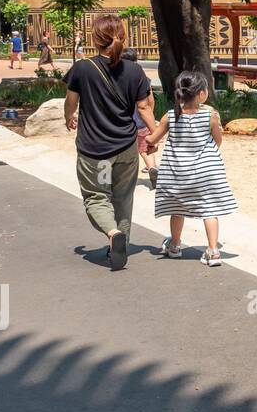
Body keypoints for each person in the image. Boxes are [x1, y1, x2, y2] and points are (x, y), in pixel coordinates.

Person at [64, 15, 160, 270]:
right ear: (123, 37)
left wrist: (68, 117)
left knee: (96, 196)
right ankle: (121, 247)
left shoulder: (82, 68)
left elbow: (71, 102)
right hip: (125, 149)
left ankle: (112, 233)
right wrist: (154, 135)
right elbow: (144, 107)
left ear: (95, 39)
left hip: (95, 152)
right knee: (122, 198)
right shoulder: (135, 70)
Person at [147, 70, 238, 266]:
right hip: (205, 173)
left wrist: (149, 142)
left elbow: (153, 138)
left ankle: (175, 245)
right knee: (209, 210)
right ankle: (213, 251)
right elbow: (217, 141)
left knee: (177, 209)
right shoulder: (211, 116)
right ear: (202, 94)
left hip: (177, 174)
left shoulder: (170, 116)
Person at [122, 50, 159, 187]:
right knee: (145, 148)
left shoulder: (118, 78)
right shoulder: (142, 77)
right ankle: (152, 167)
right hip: (141, 121)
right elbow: (150, 101)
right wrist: (150, 116)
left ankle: (121, 177)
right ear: (136, 61)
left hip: (124, 123)